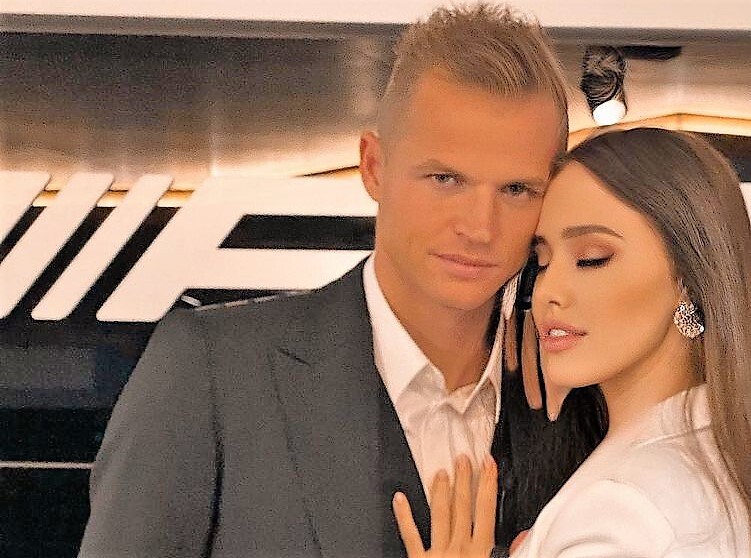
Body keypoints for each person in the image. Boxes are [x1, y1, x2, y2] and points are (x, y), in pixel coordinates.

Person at [77, 5, 603, 557]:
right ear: (374, 167)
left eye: (517, 189)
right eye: (445, 179)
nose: (479, 228)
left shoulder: (582, 398)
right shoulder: (212, 372)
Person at [394, 128, 751, 557]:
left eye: (591, 259)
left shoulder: (621, 508)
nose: (547, 291)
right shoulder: (740, 449)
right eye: (541, 262)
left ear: (688, 279)